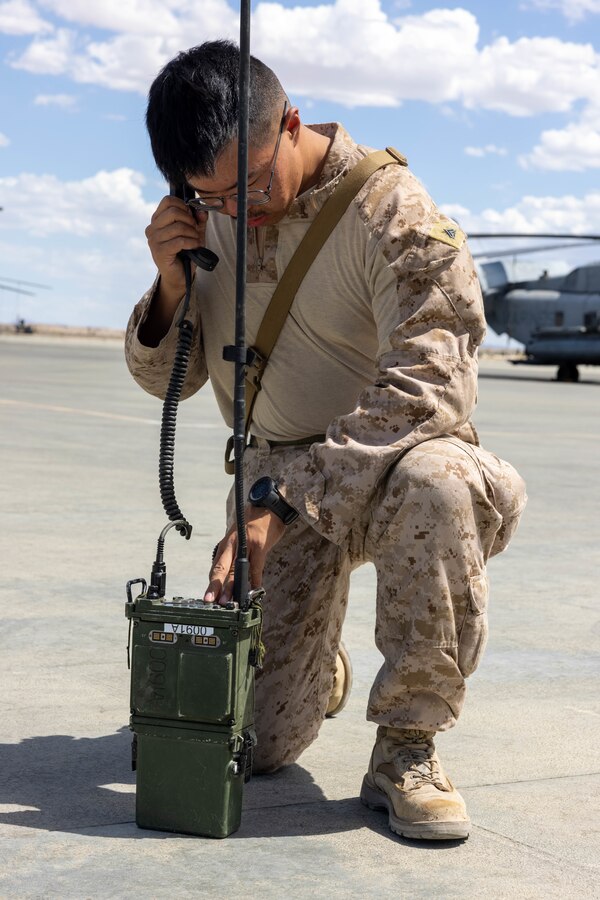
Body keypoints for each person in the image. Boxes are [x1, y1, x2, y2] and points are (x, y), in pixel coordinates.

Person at [125, 40, 526, 841]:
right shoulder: (215, 214)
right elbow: (164, 378)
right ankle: (316, 668)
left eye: (249, 186)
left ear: (292, 124)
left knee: (441, 482)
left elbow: (433, 385)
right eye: (211, 196)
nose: (237, 209)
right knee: (260, 744)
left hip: (393, 469)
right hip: (270, 469)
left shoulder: (391, 209)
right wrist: (174, 285)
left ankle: (407, 749)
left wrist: (282, 501)